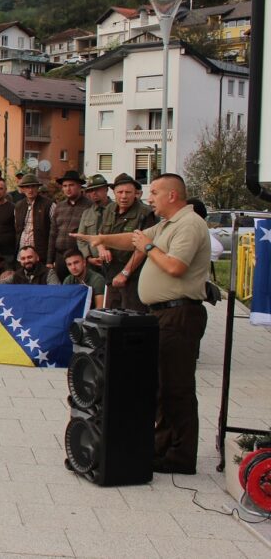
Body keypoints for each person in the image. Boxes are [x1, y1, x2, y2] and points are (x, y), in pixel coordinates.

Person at [71, 173, 211, 474]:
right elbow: (134, 238)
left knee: (176, 387)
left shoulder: (189, 224)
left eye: (155, 192)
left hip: (180, 313)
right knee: (161, 386)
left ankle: (180, 456)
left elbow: (175, 266)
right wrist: (102, 239)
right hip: (162, 313)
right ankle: (162, 446)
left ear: (172, 195)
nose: (149, 198)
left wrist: (148, 248)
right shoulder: (166, 224)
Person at [100, 173, 157, 311]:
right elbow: (101, 235)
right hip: (111, 271)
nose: (124, 196)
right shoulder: (109, 209)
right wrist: (102, 249)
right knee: (111, 314)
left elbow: (143, 248)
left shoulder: (145, 213)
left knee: (132, 315)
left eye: (128, 192)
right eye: (120, 192)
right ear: (114, 193)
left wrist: (125, 273)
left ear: (135, 193)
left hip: (135, 273)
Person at [47, 170, 91, 280]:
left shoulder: (89, 206)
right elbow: (52, 234)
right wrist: (49, 260)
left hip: (79, 257)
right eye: (65, 186)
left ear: (79, 186)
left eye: (71, 185)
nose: (68, 189)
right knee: (61, 286)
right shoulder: (59, 206)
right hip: (60, 257)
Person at [13, 174, 53, 265]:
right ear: (23, 189)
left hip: (41, 253)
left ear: (38, 188)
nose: (30, 190)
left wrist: (50, 258)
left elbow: (54, 231)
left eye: (33, 186)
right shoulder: (18, 206)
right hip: (22, 253)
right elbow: (17, 229)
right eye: (27, 187)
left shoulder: (48, 204)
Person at [76, 174, 112, 271]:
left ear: (106, 189)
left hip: (113, 261)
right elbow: (81, 238)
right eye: (91, 190)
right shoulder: (87, 213)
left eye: (97, 189)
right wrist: (88, 257)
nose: (94, 193)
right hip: (92, 263)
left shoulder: (116, 210)